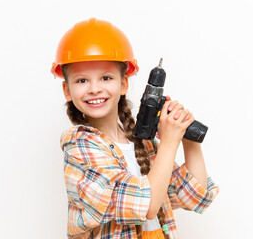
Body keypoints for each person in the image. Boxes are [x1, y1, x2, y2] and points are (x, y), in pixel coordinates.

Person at [51, 18, 219, 239]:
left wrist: (183, 133)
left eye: (106, 77)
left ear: (123, 84)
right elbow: (146, 204)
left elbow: (195, 196)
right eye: (82, 81)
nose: (94, 89)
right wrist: (169, 142)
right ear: (67, 90)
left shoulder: (143, 143)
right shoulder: (79, 146)